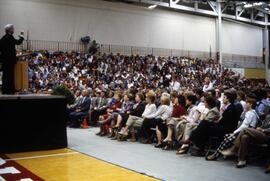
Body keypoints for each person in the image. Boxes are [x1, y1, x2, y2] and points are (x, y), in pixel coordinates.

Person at [0, 24, 24, 94]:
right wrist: (22, 36)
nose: (14, 30)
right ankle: (10, 90)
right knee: (10, 75)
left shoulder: (3, 38)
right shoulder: (9, 37)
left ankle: (6, 90)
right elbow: (18, 42)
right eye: (13, 28)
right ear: (9, 30)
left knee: (6, 75)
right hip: (9, 60)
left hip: (4, 60)